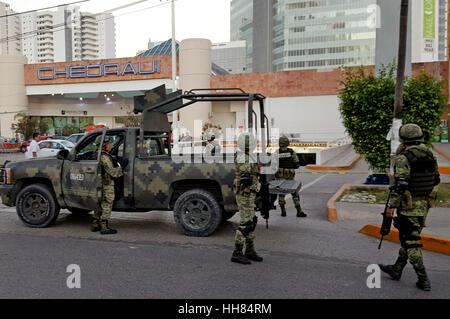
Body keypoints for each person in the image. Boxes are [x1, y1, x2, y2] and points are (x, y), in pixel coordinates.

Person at [379, 123, 440, 291]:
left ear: (403, 138)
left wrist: (391, 207)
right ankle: (396, 269)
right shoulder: (429, 154)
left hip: (409, 206)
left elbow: (401, 186)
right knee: (409, 238)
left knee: (411, 242)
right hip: (425, 204)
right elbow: (436, 179)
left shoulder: (403, 157)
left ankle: (423, 279)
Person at [231, 132, 263, 264]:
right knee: (246, 223)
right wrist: (257, 184)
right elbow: (246, 178)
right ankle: (237, 253)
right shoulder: (244, 157)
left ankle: (250, 250)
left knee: (251, 221)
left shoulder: (246, 156)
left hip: (249, 194)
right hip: (245, 194)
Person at [91, 136, 126, 235]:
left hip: (99, 183)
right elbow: (113, 173)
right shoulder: (105, 158)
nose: (110, 146)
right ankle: (104, 227)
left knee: (99, 203)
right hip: (107, 184)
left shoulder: (97, 155)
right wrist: (121, 168)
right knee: (107, 203)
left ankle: (95, 224)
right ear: (104, 146)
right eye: (108, 144)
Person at [276, 136, 306, 217]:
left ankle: (283, 211)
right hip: (290, 176)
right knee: (294, 193)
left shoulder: (276, 153)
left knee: (281, 193)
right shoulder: (291, 152)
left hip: (280, 176)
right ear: (287, 143)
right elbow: (296, 163)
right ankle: (299, 211)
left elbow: (273, 165)